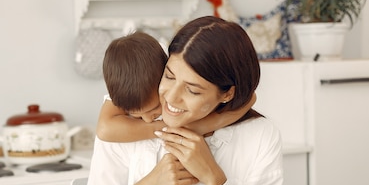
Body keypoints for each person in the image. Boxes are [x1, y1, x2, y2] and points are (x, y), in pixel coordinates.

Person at [80, 16, 283, 185]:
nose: (171, 98)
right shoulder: (130, 121)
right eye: (169, 76)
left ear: (227, 94)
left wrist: (214, 178)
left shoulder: (259, 137)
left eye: (193, 90)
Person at [96, 31, 255, 143]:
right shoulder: (128, 83)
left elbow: (250, 98)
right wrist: (186, 128)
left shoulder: (166, 71)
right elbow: (104, 130)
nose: (147, 120)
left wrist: (215, 121)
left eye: (153, 109)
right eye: (136, 115)